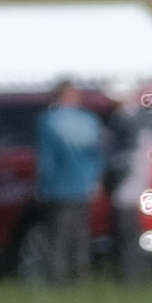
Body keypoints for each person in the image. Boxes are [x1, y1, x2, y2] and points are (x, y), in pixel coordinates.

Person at [33, 81, 103, 285]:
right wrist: (95, 181)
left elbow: (46, 159)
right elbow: (98, 155)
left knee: (58, 239)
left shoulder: (49, 121)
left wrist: (41, 186)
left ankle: (58, 281)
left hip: (58, 188)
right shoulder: (90, 121)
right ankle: (81, 278)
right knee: (81, 238)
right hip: (84, 188)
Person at [104, 96, 152, 288]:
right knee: (132, 235)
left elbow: (126, 159)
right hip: (134, 189)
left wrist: (111, 177)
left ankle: (131, 278)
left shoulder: (127, 123)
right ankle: (137, 276)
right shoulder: (141, 122)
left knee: (126, 235)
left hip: (127, 190)